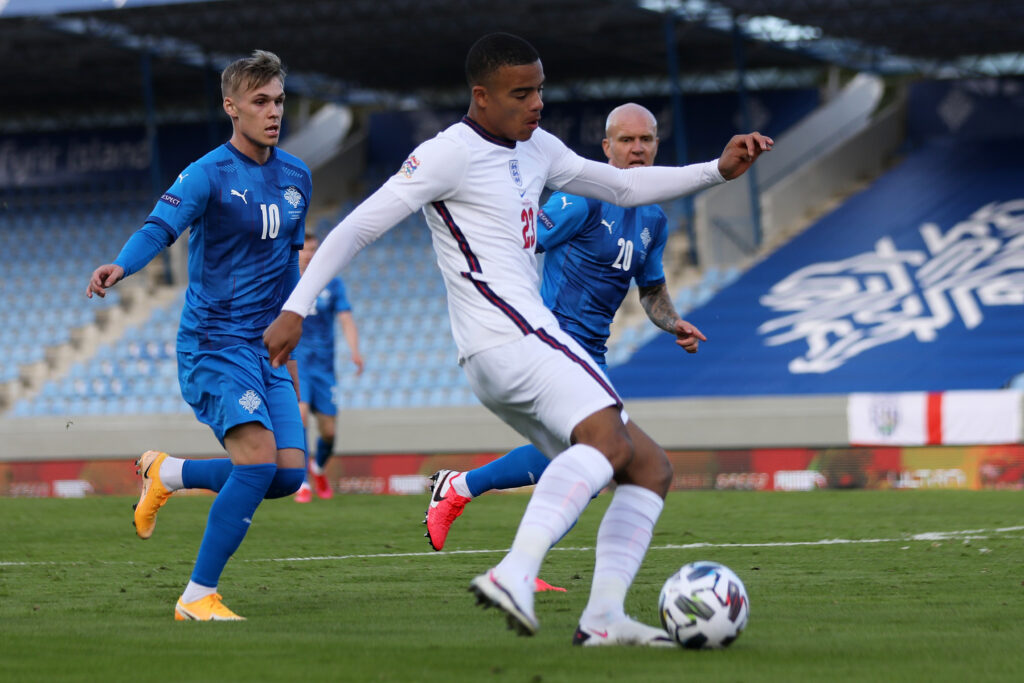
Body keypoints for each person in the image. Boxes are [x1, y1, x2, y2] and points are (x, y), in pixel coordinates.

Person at [263, 33, 771, 646]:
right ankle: (513, 572)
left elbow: (624, 188)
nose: (535, 104)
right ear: (482, 97)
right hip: (513, 332)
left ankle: (603, 618)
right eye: (520, 93)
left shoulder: (539, 149)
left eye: (539, 90)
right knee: (609, 441)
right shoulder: (447, 154)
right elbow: (358, 227)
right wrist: (296, 305)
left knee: (648, 467)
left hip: (507, 347)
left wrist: (718, 170)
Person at [424, 103, 706, 564]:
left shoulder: (653, 218)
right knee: (596, 457)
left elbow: (651, 289)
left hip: (593, 350)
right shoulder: (582, 198)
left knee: (588, 465)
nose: (637, 149)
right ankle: (483, 518)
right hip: (554, 340)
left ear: (657, 145)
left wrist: (673, 322)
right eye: (626, 140)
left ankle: (471, 503)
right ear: (606, 148)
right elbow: (524, 239)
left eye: (646, 140)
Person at [86, 50, 311, 621]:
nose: (273, 112)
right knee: (258, 464)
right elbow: (160, 226)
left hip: (267, 348)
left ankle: (167, 472)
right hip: (214, 342)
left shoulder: (297, 178)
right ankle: (196, 596)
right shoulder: (208, 173)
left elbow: (290, 259)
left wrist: (291, 324)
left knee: (286, 476)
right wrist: (121, 265)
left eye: (279, 100)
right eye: (260, 101)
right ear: (231, 107)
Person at [293, 231, 364, 503]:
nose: (310, 254)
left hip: (324, 368)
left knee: (329, 433)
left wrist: (355, 351)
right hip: (296, 364)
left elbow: (346, 318)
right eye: (305, 249)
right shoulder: (285, 281)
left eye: (314, 249)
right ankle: (302, 483)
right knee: (299, 417)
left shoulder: (332, 283)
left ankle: (318, 468)